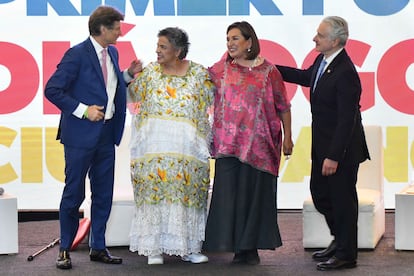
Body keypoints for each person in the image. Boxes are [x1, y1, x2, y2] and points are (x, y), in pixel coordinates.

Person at [44, 5, 142, 270]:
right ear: (102, 29)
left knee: (103, 195)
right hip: (79, 135)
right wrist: (83, 110)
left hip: (106, 135)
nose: (121, 33)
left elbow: (108, 86)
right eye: (117, 28)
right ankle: (64, 248)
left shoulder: (113, 52)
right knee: (73, 193)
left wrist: (128, 76)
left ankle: (98, 246)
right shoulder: (76, 55)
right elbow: (52, 89)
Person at [276, 16, 370, 271]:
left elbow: (346, 120)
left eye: (320, 35)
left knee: (342, 201)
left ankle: (346, 254)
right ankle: (339, 241)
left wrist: (334, 156)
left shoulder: (346, 72)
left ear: (336, 41)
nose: (314, 38)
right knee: (320, 195)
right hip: (323, 145)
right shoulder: (324, 60)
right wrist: (272, 68)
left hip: (341, 151)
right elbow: (306, 77)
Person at [203, 21, 293, 265]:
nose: (230, 43)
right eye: (228, 39)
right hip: (228, 146)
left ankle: (249, 248)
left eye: (235, 38)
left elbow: (283, 105)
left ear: (249, 42)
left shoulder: (269, 71)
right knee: (229, 196)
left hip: (261, 148)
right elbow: (194, 82)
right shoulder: (220, 70)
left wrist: (288, 137)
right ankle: (231, 246)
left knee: (254, 199)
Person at [127, 27, 214, 265]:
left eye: (163, 47)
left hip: (188, 150)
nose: (157, 51)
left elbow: (217, 101)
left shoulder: (199, 74)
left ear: (178, 50)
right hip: (154, 148)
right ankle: (153, 248)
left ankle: (188, 248)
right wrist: (127, 75)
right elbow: (128, 96)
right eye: (157, 46)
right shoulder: (150, 73)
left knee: (186, 194)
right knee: (155, 193)